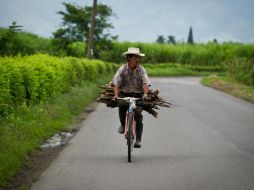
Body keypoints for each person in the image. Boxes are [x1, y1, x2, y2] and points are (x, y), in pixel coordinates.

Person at [111, 47, 150, 148]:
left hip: (138, 96)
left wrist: (145, 94)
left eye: (138, 57)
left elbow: (145, 83)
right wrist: (116, 95)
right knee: (121, 105)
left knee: (138, 115)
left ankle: (138, 140)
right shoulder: (123, 69)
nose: (137, 59)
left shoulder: (141, 70)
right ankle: (123, 125)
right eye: (135, 57)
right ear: (129, 58)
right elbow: (116, 84)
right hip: (125, 94)